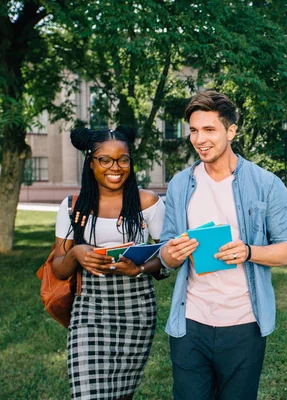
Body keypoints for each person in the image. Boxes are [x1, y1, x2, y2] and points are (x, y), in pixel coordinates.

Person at [158, 91, 287, 400]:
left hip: (244, 324)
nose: (199, 139)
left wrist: (248, 251)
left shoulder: (265, 183)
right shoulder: (181, 184)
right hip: (191, 322)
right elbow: (165, 251)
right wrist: (172, 253)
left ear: (231, 131)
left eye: (209, 130)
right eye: (194, 130)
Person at [52, 126, 167, 400]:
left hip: (136, 310)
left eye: (123, 159)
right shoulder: (72, 207)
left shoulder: (147, 202)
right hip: (90, 310)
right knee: (87, 394)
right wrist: (75, 253)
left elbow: (168, 259)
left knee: (120, 394)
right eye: (105, 160)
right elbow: (58, 268)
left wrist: (140, 267)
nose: (115, 167)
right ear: (91, 163)